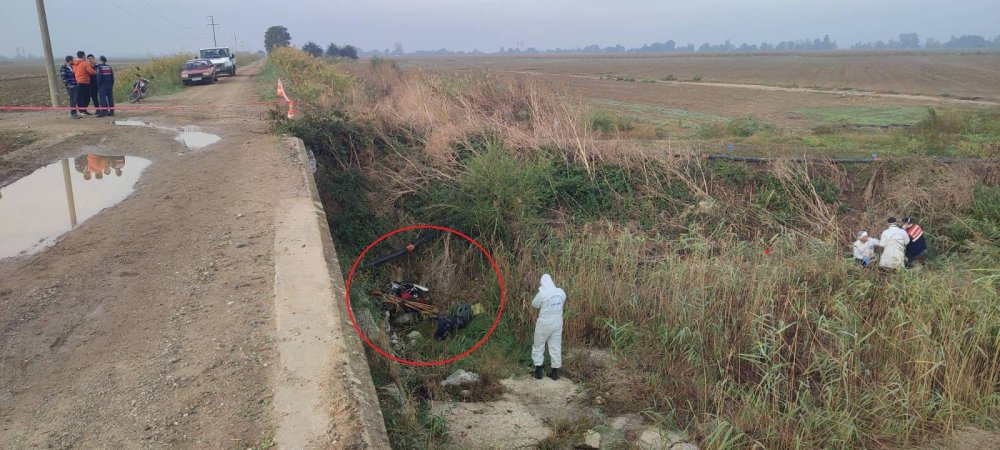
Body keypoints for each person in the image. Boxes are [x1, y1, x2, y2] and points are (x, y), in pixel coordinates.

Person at [531, 273, 566, 380]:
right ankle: (555, 373)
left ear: (543, 282)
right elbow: (563, 302)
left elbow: (534, 304)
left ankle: (538, 371)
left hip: (544, 323)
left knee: (538, 345)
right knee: (556, 346)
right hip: (557, 323)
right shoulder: (561, 292)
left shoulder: (542, 293)